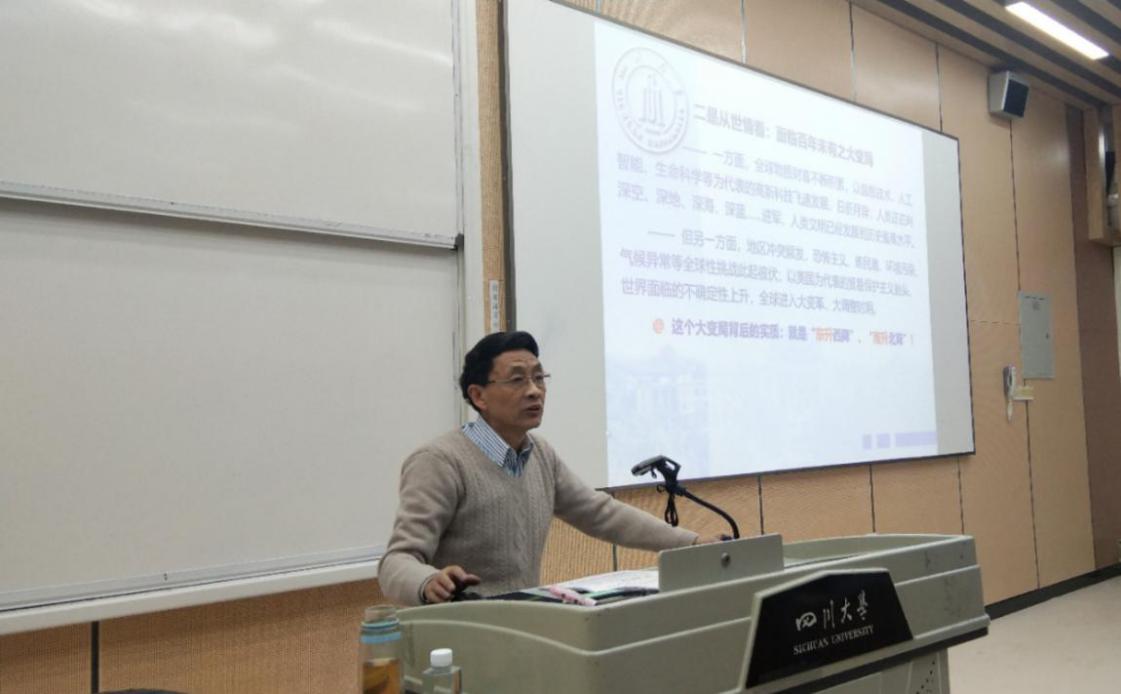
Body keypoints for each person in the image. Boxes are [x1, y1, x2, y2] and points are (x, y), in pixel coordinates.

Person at [378, 331, 709, 606]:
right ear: (479, 396)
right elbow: (396, 562)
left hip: (524, 625)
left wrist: (691, 544)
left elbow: (600, 513)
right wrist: (428, 582)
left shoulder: (540, 455)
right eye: (517, 380)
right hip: (458, 633)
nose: (534, 391)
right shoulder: (440, 462)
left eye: (539, 378)